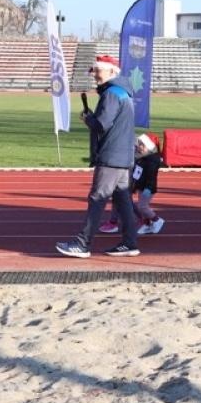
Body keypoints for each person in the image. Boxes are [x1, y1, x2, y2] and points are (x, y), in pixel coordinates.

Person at [56, 54, 141, 258]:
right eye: (93, 70)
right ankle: (129, 242)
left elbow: (102, 124)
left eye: (97, 70)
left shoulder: (111, 94)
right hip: (124, 156)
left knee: (98, 198)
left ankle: (82, 244)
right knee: (123, 202)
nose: (94, 74)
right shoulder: (124, 93)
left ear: (112, 71)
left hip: (111, 156)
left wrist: (88, 119)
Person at [104, 133, 168, 236]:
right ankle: (147, 224)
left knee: (142, 207)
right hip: (141, 186)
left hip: (147, 187)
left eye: (141, 145)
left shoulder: (151, 160)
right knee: (141, 207)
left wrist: (148, 188)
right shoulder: (141, 157)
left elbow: (151, 176)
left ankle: (157, 220)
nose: (138, 147)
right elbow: (137, 173)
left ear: (147, 146)